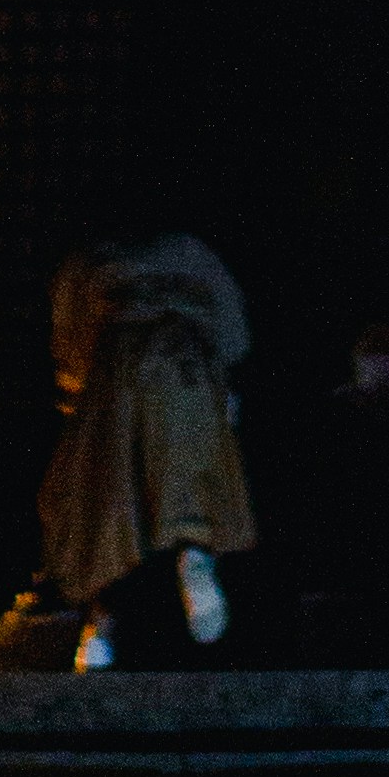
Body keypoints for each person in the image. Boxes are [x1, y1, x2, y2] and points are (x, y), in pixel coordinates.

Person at [42, 230, 254, 667]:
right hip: (167, 371)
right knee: (149, 488)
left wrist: (75, 394)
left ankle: (106, 617)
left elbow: (69, 335)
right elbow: (233, 329)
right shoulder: (112, 259)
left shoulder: (111, 261)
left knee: (113, 502)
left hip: (139, 372)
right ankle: (121, 605)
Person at [278, 318, 389, 663]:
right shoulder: (330, 415)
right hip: (336, 565)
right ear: (359, 360)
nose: (385, 366)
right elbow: (313, 488)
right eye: (376, 355)